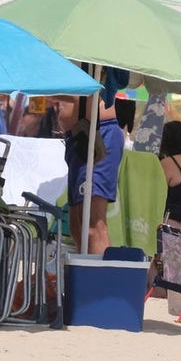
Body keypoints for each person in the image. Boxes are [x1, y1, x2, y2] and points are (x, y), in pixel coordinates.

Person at [60, 96, 125, 253]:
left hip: (97, 131)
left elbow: (78, 91)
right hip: (79, 135)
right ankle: (86, 275)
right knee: (77, 225)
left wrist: (27, 87)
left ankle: (100, 277)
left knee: (93, 225)